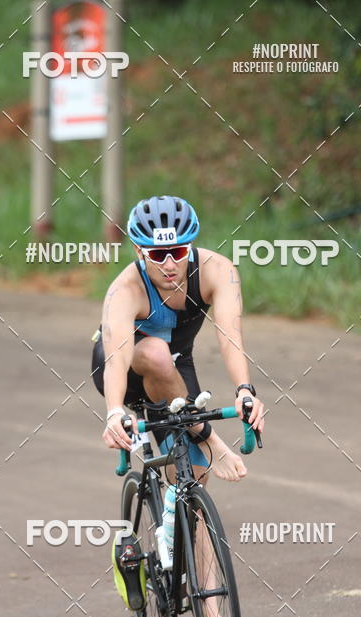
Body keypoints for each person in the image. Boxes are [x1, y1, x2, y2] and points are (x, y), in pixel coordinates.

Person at [91, 194, 265, 480]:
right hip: (125, 373)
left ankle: (178, 517)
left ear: (190, 246)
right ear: (139, 251)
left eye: (179, 252)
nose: (170, 265)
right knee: (157, 352)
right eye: (158, 255)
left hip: (175, 366)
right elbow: (116, 359)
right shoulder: (124, 290)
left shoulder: (217, 271)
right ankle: (211, 440)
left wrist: (244, 390)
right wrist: (114, 412)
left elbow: (230, 336)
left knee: (193, 478)